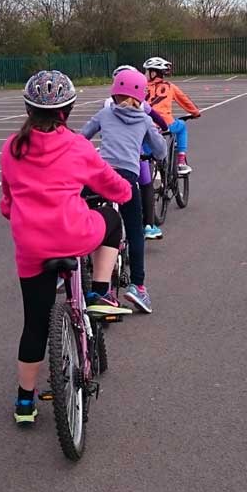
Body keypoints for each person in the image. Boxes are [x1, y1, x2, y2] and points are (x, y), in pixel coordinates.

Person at [0, 70, 133, 425]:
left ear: (28, 110)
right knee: (111, 221)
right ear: (68, 110)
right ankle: (100, 293)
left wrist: (15, 212)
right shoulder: (77, 145)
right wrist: (125, 193)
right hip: (74, 233)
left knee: (34, 325)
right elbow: (110, 184)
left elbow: (7, 201)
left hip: (30, 245)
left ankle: (24, 403)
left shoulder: (12, 147)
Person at [81, 70, 167, 314]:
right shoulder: (144, 119)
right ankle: (138, 286)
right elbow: (160, 151)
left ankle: (68, 266)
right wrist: (151, 149)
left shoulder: (106, 113)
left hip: (101, 175)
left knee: (78, 208)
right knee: (135, 231)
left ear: (114, 92)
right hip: (127, 180)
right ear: (141, 95)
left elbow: (82, 137)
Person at [107, 65, 168, 240]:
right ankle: (149, 224)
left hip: (108, 156)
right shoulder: (142, 107)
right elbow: (158, 119)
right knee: (146, 183)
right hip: (135, 154)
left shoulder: (107, 106)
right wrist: (165, 127)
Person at [143, 57, 201, 174]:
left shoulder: (142, 87)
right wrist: (195, 113)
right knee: (182, 126)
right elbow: (185, 101)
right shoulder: (170, 87)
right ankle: (181, 161)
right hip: (166, 124)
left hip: (146, 125)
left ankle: (150, 167)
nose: (144, 74)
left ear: (153, 73)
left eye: (146, 71)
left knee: (146, 145)